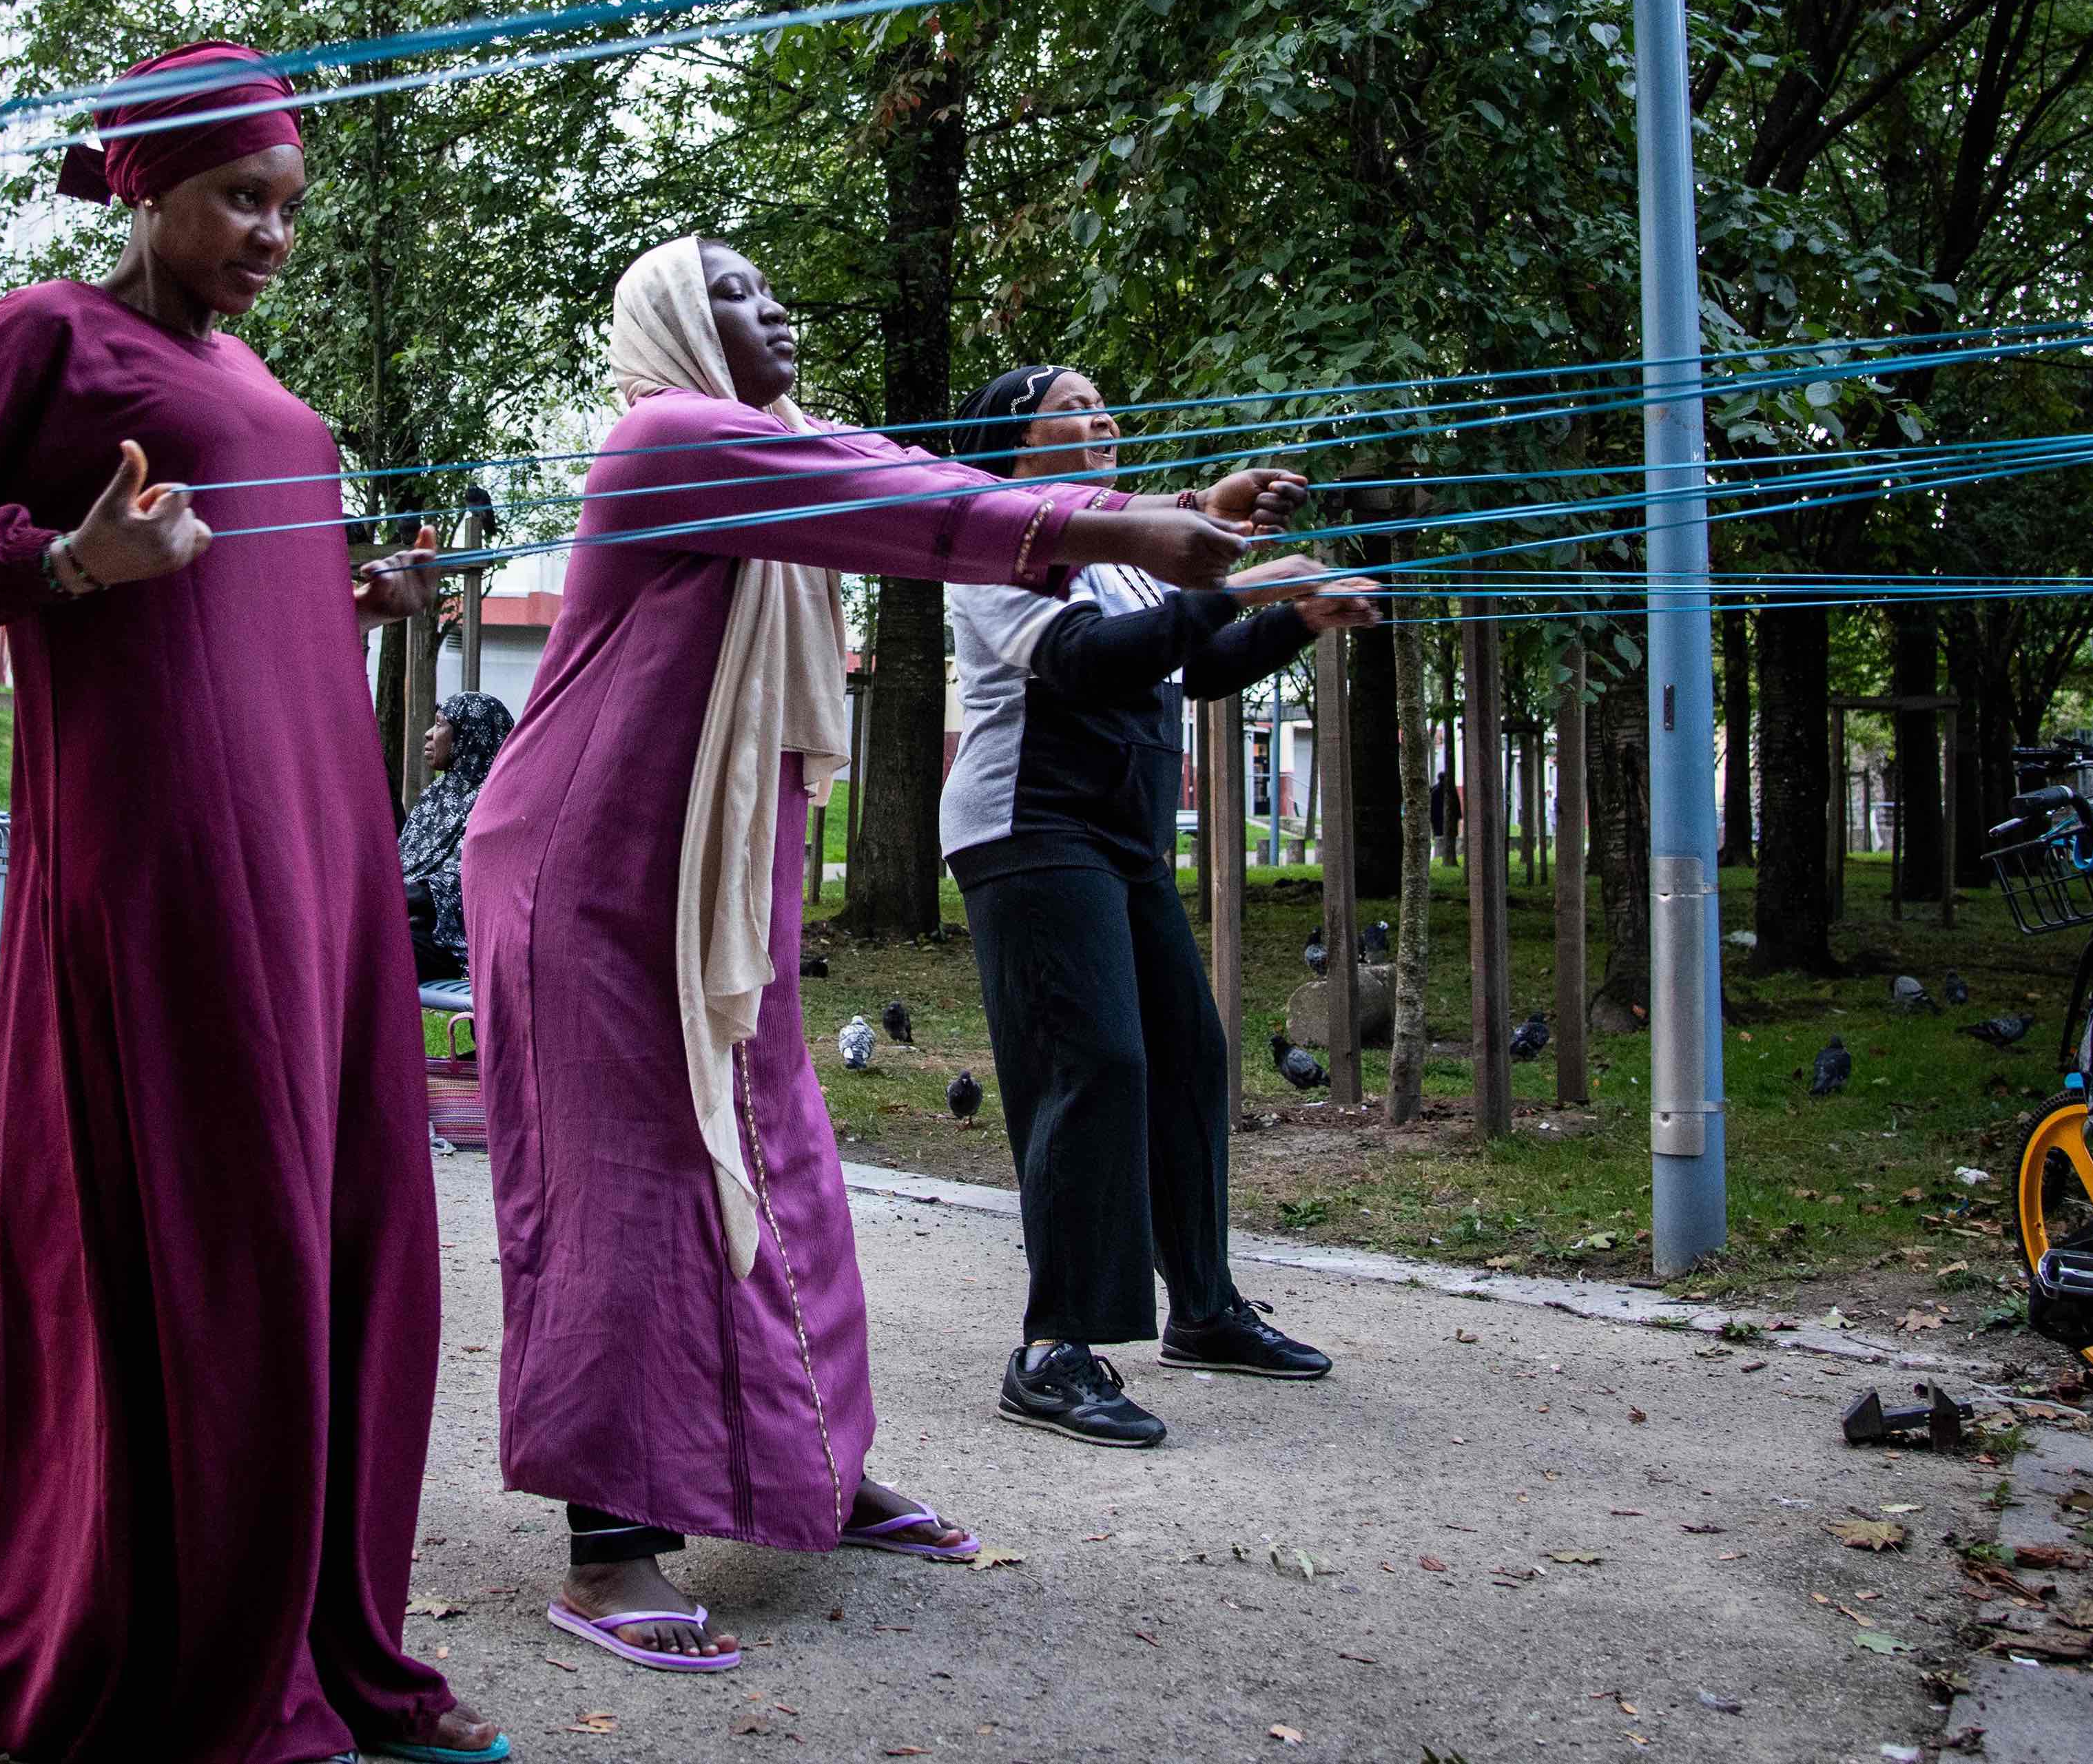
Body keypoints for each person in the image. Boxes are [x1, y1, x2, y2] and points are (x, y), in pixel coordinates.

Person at [460, 236, 1277, 1672]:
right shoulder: (666, 440)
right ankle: (608, 1541)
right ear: (668, 326)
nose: (770, 307)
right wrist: (1134, 531)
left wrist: (1149, 520)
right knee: (623, 1191)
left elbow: (903, 472)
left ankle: (809, 1476)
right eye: (731, 292)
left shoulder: (773, 443)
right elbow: (907, 502)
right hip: (586, 871)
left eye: (776, 287)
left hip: (718, 865)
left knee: (785, 1172)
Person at [0, 43, 503, 1764]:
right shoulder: (45, 336)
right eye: (237, 197)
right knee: (226, 1241)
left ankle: (319, 1641)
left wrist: (362, 579)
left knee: (342, 1239)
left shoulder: (246, 372)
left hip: (317, 851)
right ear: (143, 185)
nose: (271, 230)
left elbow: (218, 556)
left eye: (286, 201)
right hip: (168, 859)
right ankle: (195, 1667)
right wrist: (54, 566)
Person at [935, 364, 1381, 1448]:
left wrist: (1294, 619)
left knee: (1188, 1053)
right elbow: (1087, 663)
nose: (1105, 418)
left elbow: (1189, 666)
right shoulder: (1003, 546)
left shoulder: (1120, 550)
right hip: (1027, 830)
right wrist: (1238, 586)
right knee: (1096, 1065)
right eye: (1074, 407)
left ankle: (1206, 1309)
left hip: (1117, 838)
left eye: (1106, 402)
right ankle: (1052, 1350)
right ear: (1016, 438)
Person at [398, 689, 515, 982]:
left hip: (450, 937)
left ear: (470, 735)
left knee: (372, 948)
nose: (428, 734)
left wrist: (393, 895)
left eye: (439, 724)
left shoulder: (499, 801)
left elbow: (464, 879)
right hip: (407, 921)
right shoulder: (437, 796)